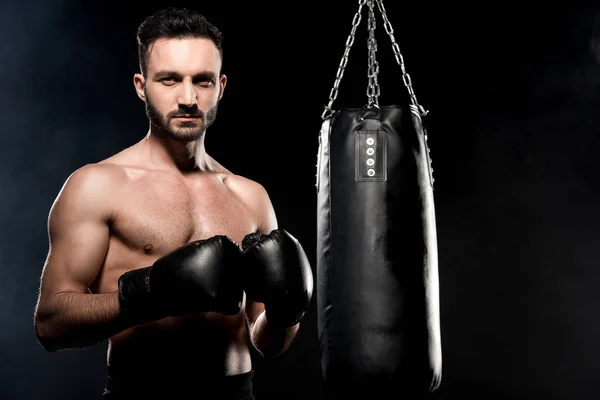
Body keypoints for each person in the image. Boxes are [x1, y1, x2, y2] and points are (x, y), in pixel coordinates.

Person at [32, 7, 313, 400]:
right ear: (141, 85)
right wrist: (152, 293)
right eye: (169, 80)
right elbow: (50, 322)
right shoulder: (96, 185)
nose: (187, 98)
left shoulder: (251, 196)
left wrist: (287, 312)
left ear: (221, 87)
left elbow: (265, 341)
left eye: (202, 81)